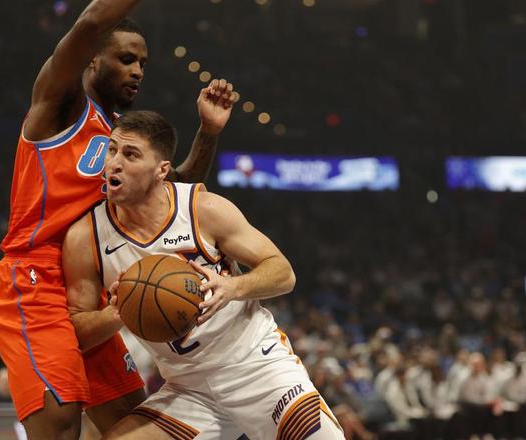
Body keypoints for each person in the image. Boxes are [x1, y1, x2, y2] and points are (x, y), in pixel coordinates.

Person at [0, 1, 237, 438]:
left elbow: (172, 192)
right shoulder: (60, 107)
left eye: (142, 63)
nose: (137, 70)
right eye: (126, 59)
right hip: (36, 281)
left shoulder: (123, 139)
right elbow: (91, 21)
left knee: (132, 422)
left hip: (91, 289)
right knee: (60, 426)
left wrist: (208, 133)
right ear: (93, 59)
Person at [63, 111, 344, 439]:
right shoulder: (86, 237)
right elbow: (76, 332)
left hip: (257, 367)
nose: (114, 163)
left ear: (161, 170)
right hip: (188, 389)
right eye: (112, 150)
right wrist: (116, 313)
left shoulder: (202, 209)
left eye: (130, 154)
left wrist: (233, 286)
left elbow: (283, 272)